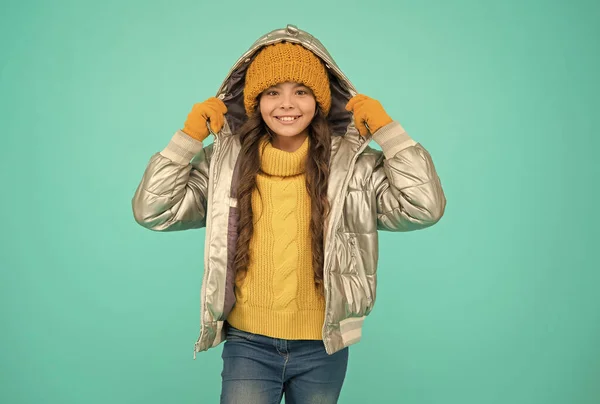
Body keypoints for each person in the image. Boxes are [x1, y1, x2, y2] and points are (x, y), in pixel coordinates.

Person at [132, 24, 446, 404]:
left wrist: (390, 132)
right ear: (254, 101)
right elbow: (153, 210)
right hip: (248, 342)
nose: (286, 104)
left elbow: (424, 207)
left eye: (301, 91)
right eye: (272, 92)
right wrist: (186, 140)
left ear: (320, 99)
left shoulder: (354, 169)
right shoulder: (224, 167)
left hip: (323, 344)